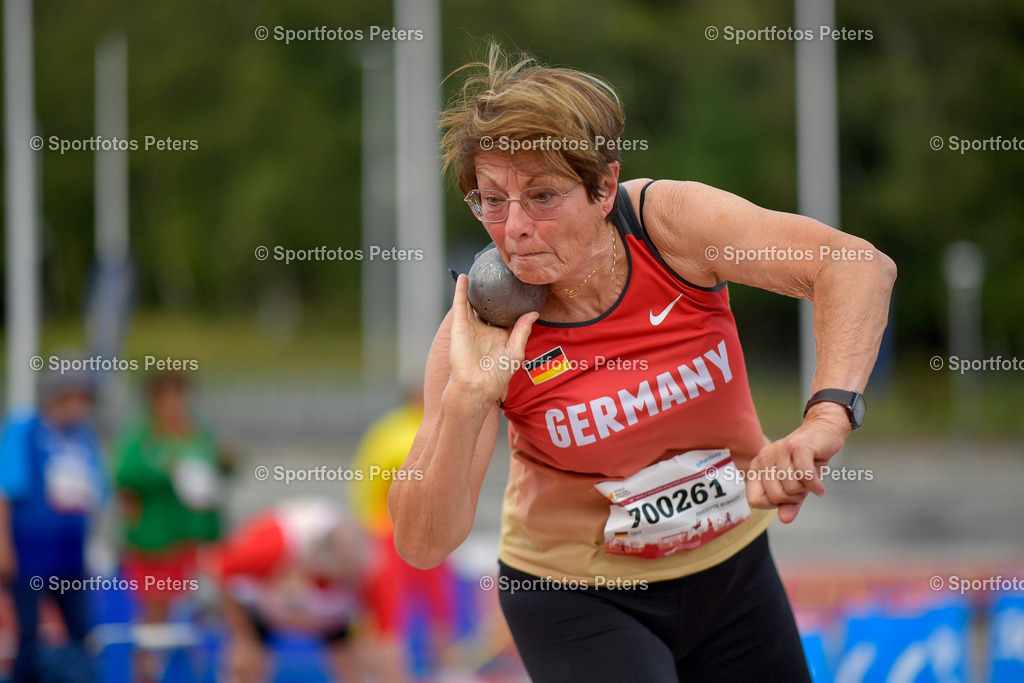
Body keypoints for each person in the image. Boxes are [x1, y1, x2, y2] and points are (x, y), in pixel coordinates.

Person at [388, 44, 897, 682]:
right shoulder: (484, 326)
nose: (513, 227)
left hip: (731, 566)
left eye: (542, 196)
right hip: (575, 596)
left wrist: (827, 419)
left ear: (603, 187)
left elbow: (858, 268)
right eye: (490, 199)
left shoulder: (667, 229)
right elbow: (422, 543)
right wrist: (468, 399)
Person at [113, 372, 233, 681]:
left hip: (194, 539)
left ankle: (190, 674)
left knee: (197, 613)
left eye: (180, 396)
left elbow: (212, 474)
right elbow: (124, 476)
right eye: (167, 396)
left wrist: (225, 463)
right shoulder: (142, 435)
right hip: (154, 542)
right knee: (155, 614)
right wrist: (167, 471)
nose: (175, 403)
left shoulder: (197, 431)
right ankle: (146, 675)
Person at [0, 367, 106, 683]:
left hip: (70, 556)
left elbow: (97, 492)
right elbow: (6, 490)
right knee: (28, 638)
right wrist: (4, 548)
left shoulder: (84, 437)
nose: (79, 407)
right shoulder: (26, 430)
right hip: (30, 555)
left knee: (81, 634)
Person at [198, 498, 367, 683]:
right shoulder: (273, 548)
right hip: (266, 600)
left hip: (323, 607)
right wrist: (241, 633)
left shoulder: (368, 563)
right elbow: (216, 567)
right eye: (337, 578)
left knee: (354, 662)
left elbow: (385, 635)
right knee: (247, 661)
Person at [349, 392, 455, 681]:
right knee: (392, 614)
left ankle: (440, 671)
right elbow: (368, 483)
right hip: (394, 533)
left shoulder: (431, 427)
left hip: (420, 532)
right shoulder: (396, 432)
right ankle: (399, 675)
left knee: (435, 609)